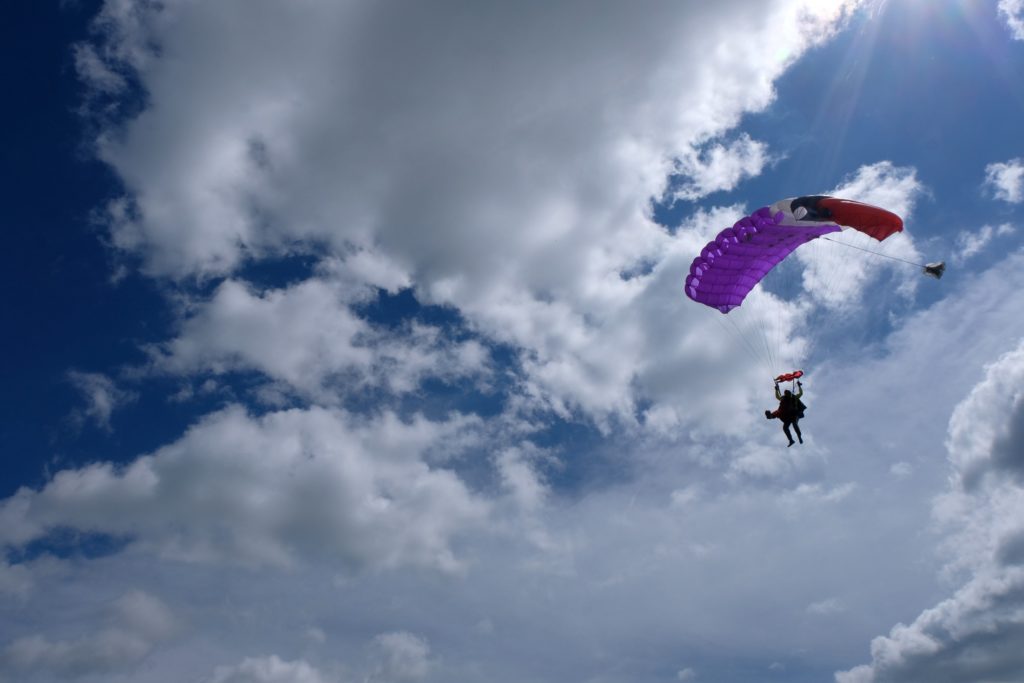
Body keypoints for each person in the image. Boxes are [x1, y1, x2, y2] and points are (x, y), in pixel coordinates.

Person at [764, 380, 805, 446]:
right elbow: (778, 396)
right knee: (785, 428)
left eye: (788, 393)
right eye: (786, 394)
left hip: (794, 414)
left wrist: (799, 386)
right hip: (786, 415)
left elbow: (800, 393)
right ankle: (791, 440)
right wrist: (777, 389)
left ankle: (799, 436)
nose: (787, 394)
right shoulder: (783, 399)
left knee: (794, 424)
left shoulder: (794, 398)